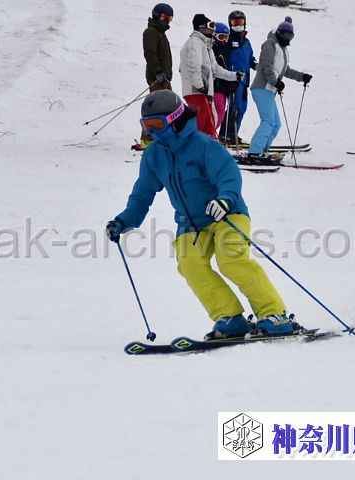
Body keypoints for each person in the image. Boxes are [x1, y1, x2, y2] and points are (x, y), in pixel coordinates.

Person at [106, 90, 294, 339]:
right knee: (189, 264)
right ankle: (229, 317)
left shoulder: (204, 145)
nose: (151, 131)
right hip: (191, 223)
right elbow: (142, 194)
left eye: (156, 124)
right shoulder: (154, 155)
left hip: (227, 214)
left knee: (231, 260)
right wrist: (123, 221)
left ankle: (274, 314)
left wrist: (225, 200)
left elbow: (229, 175)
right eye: (146, 125)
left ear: (174, 119)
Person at [248, 17, 312, 158]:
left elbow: (285, 70)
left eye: (291, 36)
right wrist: (275, 81)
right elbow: (266, 66)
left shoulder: (282, 49)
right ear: (279, 33)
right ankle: (254, 152)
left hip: (269, 91)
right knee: (268, 121)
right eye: (286, 35)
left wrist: (302, 76)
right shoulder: (270, 44)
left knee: (276, 124)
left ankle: (263, 151)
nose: (288, 39)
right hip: (262, 88)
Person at [179, 14, 243, 140]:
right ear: (201, 27)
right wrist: (200, 85)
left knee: (210, 123)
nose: (212, 29)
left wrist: (234, 76)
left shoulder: (206, 46)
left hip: (204, 92)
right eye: (210, 26)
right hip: (195, 91)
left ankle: (209, 146)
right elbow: (193, 67)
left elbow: (216, 69)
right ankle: (192, 146)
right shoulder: (194, 44)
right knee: (200, 123)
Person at [139, 3, 174, 149]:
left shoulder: (160, 33)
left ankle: (162, 137)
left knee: (169, 109)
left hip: (164, 78)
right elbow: (150, 54)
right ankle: (147, 139)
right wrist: (158, 71)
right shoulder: (151, 32)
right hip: (157, 77)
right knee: (157, 109)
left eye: (169, 18)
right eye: (165, 17)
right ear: (156, 15)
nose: (167, 21)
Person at [219, 10, 256, 145]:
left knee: (242, 108)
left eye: (240, 22)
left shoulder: (246, 42)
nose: (238, 25)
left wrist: (255, 64)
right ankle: (225, 135)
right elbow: (223, 58)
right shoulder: (229, 40)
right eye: (235, 22)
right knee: (234, 107)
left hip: (244, 80)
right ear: (230, 23)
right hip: (234, 80)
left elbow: (250, 58)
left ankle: (233, 134)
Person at [211, 22, 235, 137]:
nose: (224, 40)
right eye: (221, 37)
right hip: (215, 86)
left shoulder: (227, 49)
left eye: (226, 37)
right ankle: (209, 134)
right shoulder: (212, 49)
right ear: (214, 35)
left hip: (224, 86)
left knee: (221, 113)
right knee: (218, 112)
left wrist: (232, 80)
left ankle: (210, 134)